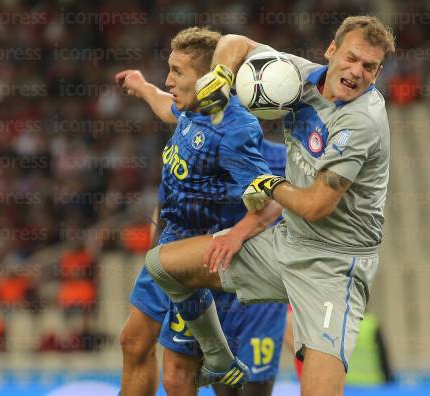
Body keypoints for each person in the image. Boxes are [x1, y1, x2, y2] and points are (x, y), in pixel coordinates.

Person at [144, 15, 395, 396]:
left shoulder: (361, 122)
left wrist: (268, 183)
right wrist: (223, 74)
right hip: (286, 244)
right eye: (352, 58)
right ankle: (218, 356)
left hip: (334, 266)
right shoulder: (297, 76)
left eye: (369, 67)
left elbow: (315, 206)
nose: (357, 72)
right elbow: (236, 42)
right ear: (331, 51)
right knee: (163, 265)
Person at [116, 27, 287, 396]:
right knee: (132, 342)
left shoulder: (235, 128)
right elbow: (168, 107)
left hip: (198, 259)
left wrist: (236, 236)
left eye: (178, 71)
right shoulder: (191, 107)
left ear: (209, 78)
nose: (169, 79)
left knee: (178, 374)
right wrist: (142, 86)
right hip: (170, 244)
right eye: (169, 69)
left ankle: (220, 358)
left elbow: (272, 199)